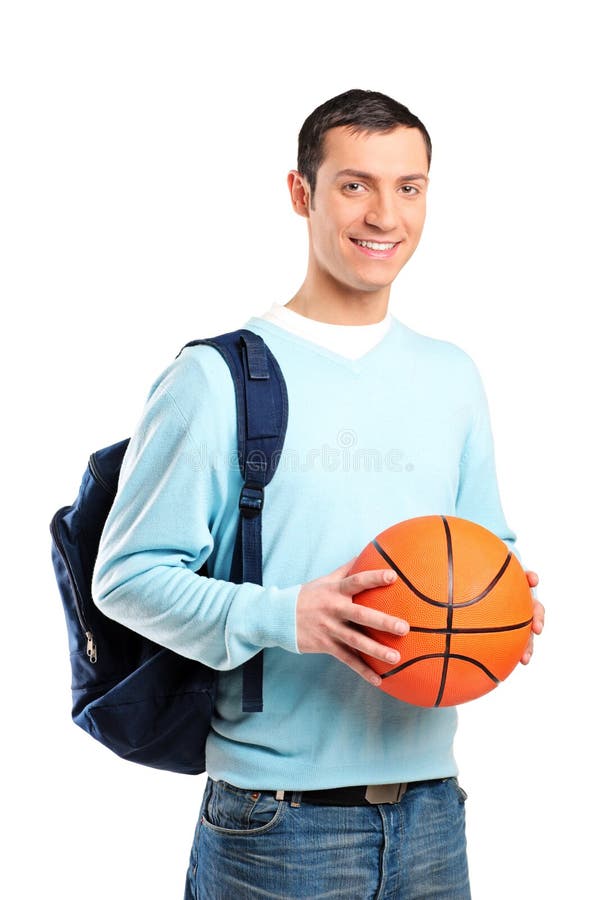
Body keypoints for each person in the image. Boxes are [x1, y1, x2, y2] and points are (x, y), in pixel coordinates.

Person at [92, 88, 544, 899]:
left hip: (435, 813)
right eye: (355, 184)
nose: (385, 215)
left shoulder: (454, 377)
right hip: (276, 826)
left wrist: (506, 605)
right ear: (301, 194)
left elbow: (486, 549)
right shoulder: (215, 377)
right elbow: (125, 577)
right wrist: (285, 614)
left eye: (409, 186)